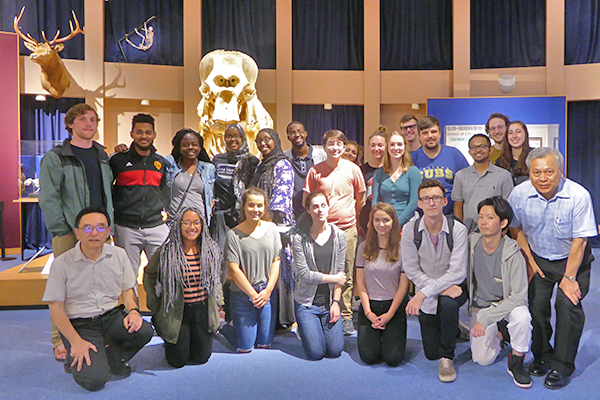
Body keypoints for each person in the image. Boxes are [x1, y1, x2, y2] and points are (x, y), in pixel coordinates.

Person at [508, 147, 597, 390]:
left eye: (549, 171)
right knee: (536, 306)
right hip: (538, 257)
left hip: (573, 260)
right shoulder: (519, 194)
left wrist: (569, 277)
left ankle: (562, 365)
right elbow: (515, 229)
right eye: (536, 172)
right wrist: (530, 262)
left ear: (560, 171)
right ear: (529, 172)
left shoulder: (578, 195)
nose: (543, 177)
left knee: (567, 305)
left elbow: (580, 240)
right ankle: (542, 356)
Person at [42, 208, 153, 391]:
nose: (94, 233)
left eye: (100, 228)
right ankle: (77, 355)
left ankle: (111, 357)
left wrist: (133, 310)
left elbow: (127, 290)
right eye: (87, 228)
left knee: (144, 330)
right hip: (80, 324)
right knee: (94, 381)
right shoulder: (62, 264)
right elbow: (55, 309)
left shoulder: (119, 255)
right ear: (77, 233)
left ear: (108, 232)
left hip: (110, 317)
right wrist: (76, 341)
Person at [39, 103, 114, 362]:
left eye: (93, 119)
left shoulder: (102, 155)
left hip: (100, 230)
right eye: (83, 119)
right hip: (69, 232)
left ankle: (92, 331)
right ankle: (59, 338)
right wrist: (62, 230)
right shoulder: (56, 157)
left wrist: (108, 226)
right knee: (62, 287)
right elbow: (49, 197)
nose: (89, 124)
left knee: (96, 282)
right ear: (70, 124)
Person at [401, 179, 468, 382]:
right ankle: (454, 326)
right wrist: (435, 289)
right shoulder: (409, 230)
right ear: (419, 203)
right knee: (430, 352)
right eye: (426, 199)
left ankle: (447, 358)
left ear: (444, 202)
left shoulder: (458, 229)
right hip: (431, 288)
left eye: (436, 198)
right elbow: (411, 270)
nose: (432, 203)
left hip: (455, 287)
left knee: (448, 305)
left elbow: (457, 272)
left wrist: (422, 293)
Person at [303, 129, 367, 336]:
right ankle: (319, 310)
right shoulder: (315, 171)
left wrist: (350, 216)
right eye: (331, 144)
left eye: (339, 144)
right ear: (324, 147)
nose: (335, 148)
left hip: (347, 228)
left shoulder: (353, 169)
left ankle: (346, 315)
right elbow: (308, 199)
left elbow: (361, 198)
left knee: (346, 272)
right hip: (322, 230)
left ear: (343, 146)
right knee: (323, 270)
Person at [144, 207, 222, 368]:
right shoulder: (167, 251)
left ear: (202, 225)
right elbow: (149, 274)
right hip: (176, 311)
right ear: (178, 225)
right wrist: (153, 302)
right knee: (177, 361)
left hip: (202, 310)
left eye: (196, 223)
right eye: (186, 222)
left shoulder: (211, 249)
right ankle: (168, 335)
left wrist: (219, 300)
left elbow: (216, 277)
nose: (191, 227)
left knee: (201, 358)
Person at [468, 197, 532, 389]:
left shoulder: (513, 253)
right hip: (481, 304)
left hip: (507, 303)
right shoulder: (471, 243)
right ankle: (501, 333)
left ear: (503, 223)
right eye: (481, 217)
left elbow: (519, 296)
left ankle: (517, 362)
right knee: (482, 359)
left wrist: (487, 318)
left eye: (489, 217)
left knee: (522, 317)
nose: (483, 222)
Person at [110, 113, 168, 278]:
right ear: (132, 134)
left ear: (154, 135)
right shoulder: (118, 161)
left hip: (155, 226)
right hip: (126, 228)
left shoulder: (160, 163)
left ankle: (160, 305)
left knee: (163, 276)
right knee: (127, 277)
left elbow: (162, 191)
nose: (144, 136)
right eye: (139, 132)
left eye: (148, 132)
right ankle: (131, 305)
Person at [223, 187, 282, 352]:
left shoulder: (273, 229)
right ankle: (225, 327)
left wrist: (267, 291)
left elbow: (276, 262)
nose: (256, 210)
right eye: (251, 205)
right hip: (243, 294)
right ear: (243, 207)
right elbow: (234, 270)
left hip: (266, 293)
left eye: (259, 205)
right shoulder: (234, 235)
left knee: (264, 344)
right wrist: (253, 295)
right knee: (245, 347)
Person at [292, 192, 346, 360]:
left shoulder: (340, 236)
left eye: (323, 205)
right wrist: (334, 278)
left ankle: (318, 328)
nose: (320, 210)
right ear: (308, 210)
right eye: (315, 206)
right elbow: (305, 275)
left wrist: (336, 303)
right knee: (316, 353)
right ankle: (303, 327)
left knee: (335, 351)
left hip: (329, 302)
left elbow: (341, 273)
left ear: (328, 207)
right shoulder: (299, 238)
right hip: (307, 304)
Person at [251, 128, 295, 328]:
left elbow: (280, 201)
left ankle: (279, 320)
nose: (263, 144)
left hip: (276, 229)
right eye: (259, 141)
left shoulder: (282, 164)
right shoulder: (261, 165)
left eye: (267, 140)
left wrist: (267, 229)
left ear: (275, 141)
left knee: (278, 273)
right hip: (258, 226)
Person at [356, 202, 409, 366]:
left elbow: (403, 287)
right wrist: (368, 312)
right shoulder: (363, 248)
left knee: (392, 359)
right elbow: (361, 284)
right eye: (377, 220)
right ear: (371, 222)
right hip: (369, 307)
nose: (381, 225)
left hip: (393, 307)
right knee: (369, 357)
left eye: (386, 220)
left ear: (393, 222)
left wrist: (389, 314)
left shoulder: (403, 249)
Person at [452, 134, 513, 233]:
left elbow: (507, 209)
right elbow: (458, 207)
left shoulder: (504, 175)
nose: (478, 150)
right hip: (468, 234)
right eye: (474, 147)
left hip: (495, 234)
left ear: (490, 150)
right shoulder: (460, 175)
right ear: (470, 152)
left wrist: (502, 235)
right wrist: (460, 233)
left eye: (483, 146)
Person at [411, 115, 469, 215]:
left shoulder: (454, 154)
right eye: (425, 133)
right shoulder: (412, 159)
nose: (430, 136)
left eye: (433, 131)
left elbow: (468, 185)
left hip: (451, 217)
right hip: (422, 218)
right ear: (419, 137)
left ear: (440, 134)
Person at [164, 128, 215, 226]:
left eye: (194, 144)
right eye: (185, 145)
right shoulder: (170, 166)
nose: (190, 147)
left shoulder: (208, 169)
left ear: (200, 148)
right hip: (175, 224)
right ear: (179, 148)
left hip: (199, 224)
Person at [372, 131, 422, 227]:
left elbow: (414, 201)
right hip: (383, 224)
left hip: (407, 223)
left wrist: (397, 223)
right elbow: (375, 202)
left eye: (399, 144)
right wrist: (379, 220)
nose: (396, 148)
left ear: (404, 147)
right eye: (392, 145)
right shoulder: (379, 173)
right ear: (387, 148)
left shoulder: (413, 171)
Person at [284, 121, 327, 221]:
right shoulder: (284, 158)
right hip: (294, 213)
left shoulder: (322, 156)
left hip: (316, 212)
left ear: (305, 133)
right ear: (288, 137)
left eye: (300, 131)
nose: (297, 135)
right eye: (292, 133)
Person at [358, 126, 388, 236]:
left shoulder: (391, 170)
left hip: (386, 221)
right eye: (373, 145)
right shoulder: (361, 170)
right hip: (365, 221)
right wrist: (357, 222)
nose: (376, 149)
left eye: (380, 145)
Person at [495, 120, 532, 186]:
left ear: (525, 134)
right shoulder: (500, 162)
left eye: (518, 132)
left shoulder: (535, 157)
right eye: (510, 133)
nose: (514, 136)